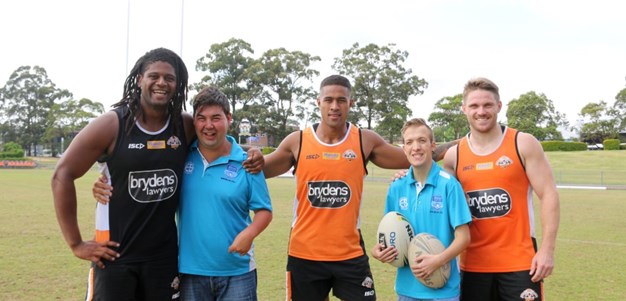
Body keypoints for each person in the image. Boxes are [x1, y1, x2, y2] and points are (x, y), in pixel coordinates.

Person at [52, 48, 262, 301]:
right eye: (154, 75)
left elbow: (220, 143)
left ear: (178, 84)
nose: (161, 82)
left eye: (169, 78)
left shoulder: (183, 125)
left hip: (164, 260)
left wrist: (254, 154)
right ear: (140, 79)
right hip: (115, 257)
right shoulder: (111, 125)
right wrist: (76, 244)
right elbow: (62, 174)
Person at [262, 75, 454, 301]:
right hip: (304, 254)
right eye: (329, 100)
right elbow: (261, 169)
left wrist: (470, 139)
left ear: (350, 103)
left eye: (341, 100)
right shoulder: (298, 141)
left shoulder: (364, 140)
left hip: (350, 254)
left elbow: (415, 155)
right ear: (318, 102)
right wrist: (252, 157)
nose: (335, 106)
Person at [442, 77, 560, 301]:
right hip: (472, 265)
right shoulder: (453, 156)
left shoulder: (522, 143)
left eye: (487, 105)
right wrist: (405, 175)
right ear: (464, 109)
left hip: (521, 263)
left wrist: (547, 250)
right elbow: (438, 197)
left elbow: (549, 194)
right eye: (474, 106)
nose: (481, 111)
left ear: (498, 106)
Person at [177, 86, 273, 300]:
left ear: (229, 118)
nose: (208, 126)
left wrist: (249, 234)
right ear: (194, 121)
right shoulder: (181, 156)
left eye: (216, 118)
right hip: (190, 271)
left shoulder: (248, 162)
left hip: (237, 271)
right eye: (201, 118)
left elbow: (264, 210)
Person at [371, 118, 471, 301]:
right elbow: (390, 232)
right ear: (404, 148)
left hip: (443, 291)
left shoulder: (449, 185)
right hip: (406, 290)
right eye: (409, 142)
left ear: (433, 145)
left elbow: (464, 237)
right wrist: (378, 251)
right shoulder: (396, 187)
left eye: (422, 141)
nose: (415, 147)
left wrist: (437, 261)